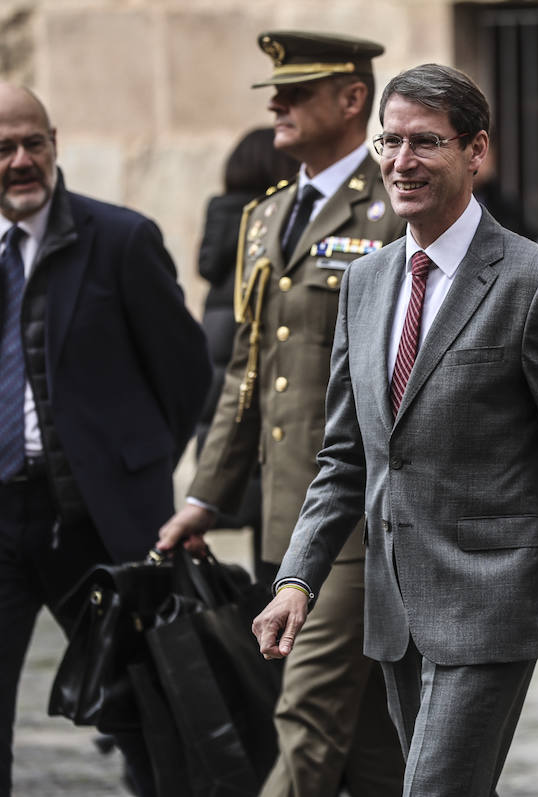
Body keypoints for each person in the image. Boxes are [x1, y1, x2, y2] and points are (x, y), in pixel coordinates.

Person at [250, 63, 538, 797]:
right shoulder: (364, 283)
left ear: (475, 151)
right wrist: (297, 576)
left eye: (425, 142)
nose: (401, 162)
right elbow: (345, 455)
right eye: (388, 142)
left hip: (495, 598)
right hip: (393, 604)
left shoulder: (536, 282)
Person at [156, 31, 406, 797]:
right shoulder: (264, 217)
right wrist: (204, 496)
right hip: (281, 519)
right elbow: (248, 374)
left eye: (295, 91)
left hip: (361, 523)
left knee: (306, 717)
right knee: (369, 747)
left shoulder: (396, 208)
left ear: (352, 98)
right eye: (276, 90)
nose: (276, 103)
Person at [0, 82, 210, 796]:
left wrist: (131, 470)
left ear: (55, 142)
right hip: (1, 520)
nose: (22, 160)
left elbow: (184, 376)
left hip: (96, 522)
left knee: (141, 711)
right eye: (4, 148)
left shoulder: (120, 239)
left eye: (34, 142)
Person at [194, 127, 297, 583]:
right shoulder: (273, 224)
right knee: (279, 548)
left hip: (228, 391)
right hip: (263, 386)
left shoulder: (222, 228)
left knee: (266, 545)